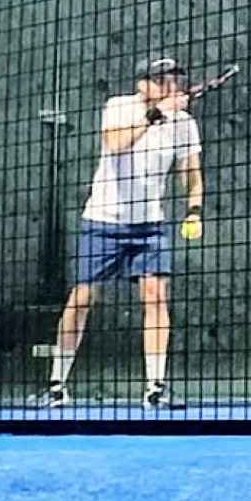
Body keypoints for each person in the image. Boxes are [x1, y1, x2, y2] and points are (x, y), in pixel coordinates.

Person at [34, 57, 204, 412]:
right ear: (142, 83)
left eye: (173, 79)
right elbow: (115, 143)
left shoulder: (185, 124)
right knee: (81, 299)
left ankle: (155, 388)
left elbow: (192, 175)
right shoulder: (118, 106)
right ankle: (56, 385)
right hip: (102, 220)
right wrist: (156, 116)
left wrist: (194, 210)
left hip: (149, 226)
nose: (169, 86)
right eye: (160, 79)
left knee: (155, 298)